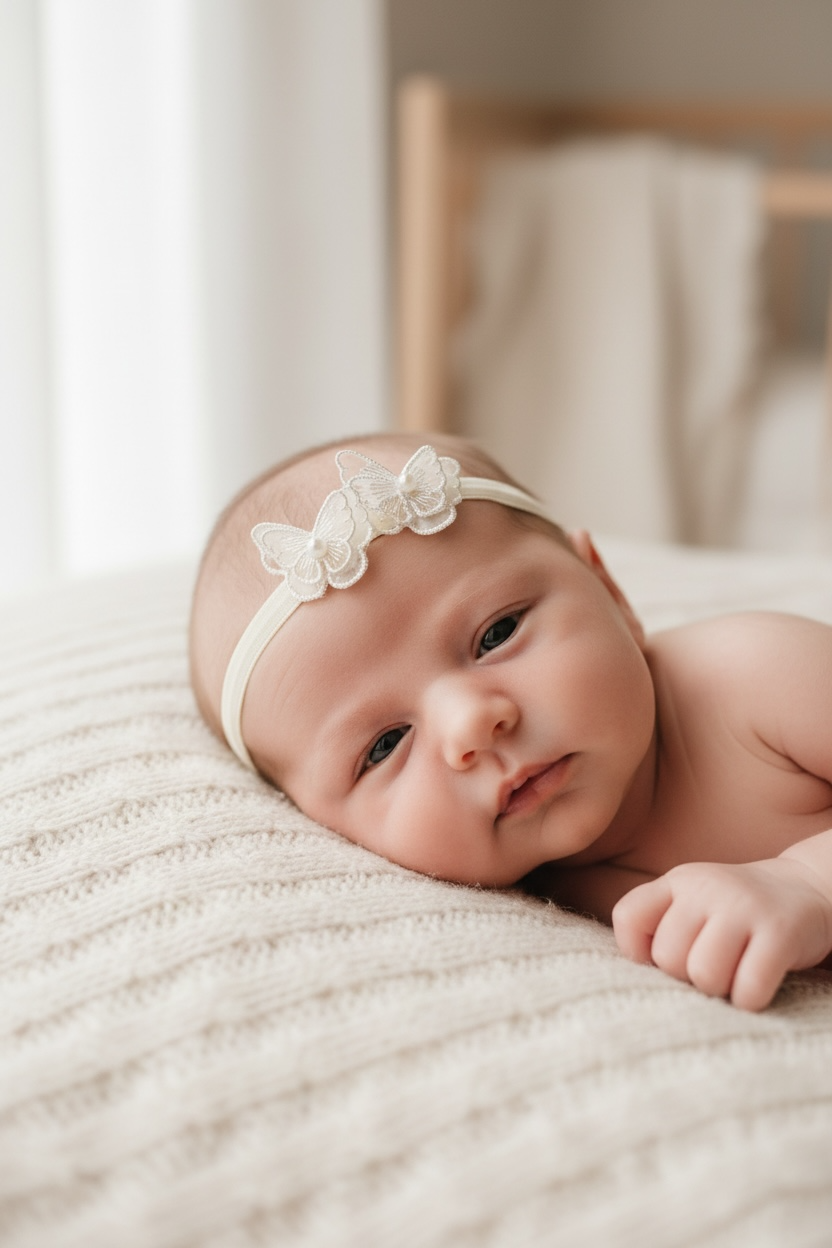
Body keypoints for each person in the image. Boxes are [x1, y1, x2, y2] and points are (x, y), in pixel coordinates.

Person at [190, 432, 832, 1012]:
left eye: (496, 634)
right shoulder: (530, 903)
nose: (470, 724)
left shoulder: (757, 675)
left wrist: (808, 883)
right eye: (385, 745)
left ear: (609, 590)